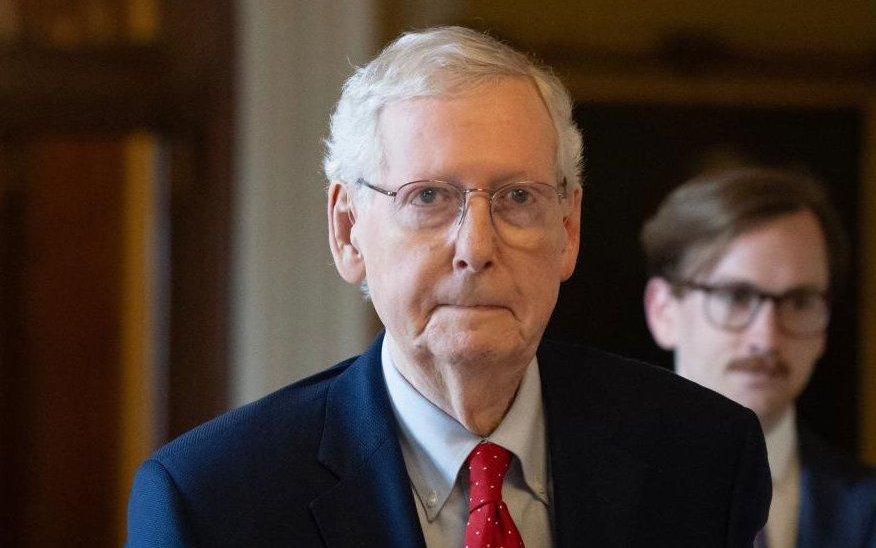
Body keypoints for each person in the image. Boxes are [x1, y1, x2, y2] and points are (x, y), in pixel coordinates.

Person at [127, 27, 770, 547]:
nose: (476, 248)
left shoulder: (704, 459)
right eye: (429, 197)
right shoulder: (213, 501)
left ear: (569, 228)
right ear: (349, 231)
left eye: (518, 197)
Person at [641, 168, 876, 548]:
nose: (767, 338)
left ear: (823, 329)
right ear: (663, 312)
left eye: (799, 302)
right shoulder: (579, 497)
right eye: (736, 297)